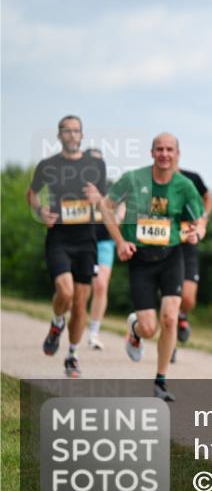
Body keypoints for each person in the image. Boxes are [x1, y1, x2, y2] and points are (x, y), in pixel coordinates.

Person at [90, 133, 205, 401]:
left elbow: (198, 220)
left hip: (171, 257)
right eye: (159, 149)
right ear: (151, 153)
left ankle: (161, 381)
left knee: (170, 317)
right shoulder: (133, 179)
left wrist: (195, 233)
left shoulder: (184, 186)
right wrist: (119, 241)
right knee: (149, 328)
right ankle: (135, 330)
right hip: (140, 261)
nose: (164, 154)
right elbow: (106, 207)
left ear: (177, 153)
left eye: (169, 149)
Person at [27, 116, 107, 377]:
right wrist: (40, 212)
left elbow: (105, 200)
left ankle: (72, 355)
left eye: (76, 131)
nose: (72, 135)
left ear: (82, 135)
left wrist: (99, 198)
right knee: (65, 292)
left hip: (86, 240)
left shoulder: (96, 165)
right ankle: (57, 322)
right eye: (67, 131)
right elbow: (32, 193)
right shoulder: (48, 165)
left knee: (81, 302)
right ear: (59, 135)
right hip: (59, 238)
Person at [173, 166, 212, 361]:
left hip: (187, 244)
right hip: (165, 246)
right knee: (171, 298)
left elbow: (207, 197)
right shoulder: (152, 181)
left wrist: (203, 217)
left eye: (170, 150)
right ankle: (170, 345)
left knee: (188, 299)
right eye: (160, 150)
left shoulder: (192, 178)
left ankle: (182, 316)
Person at [83, 148, 116, 350]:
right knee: (79, 290)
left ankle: (94, 332)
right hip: (80, 241)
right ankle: (61, 321)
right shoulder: (73, 187)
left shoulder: (110, 188)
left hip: (104, 241)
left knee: (101, 285)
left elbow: (118, 215)